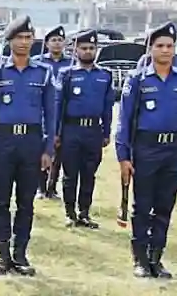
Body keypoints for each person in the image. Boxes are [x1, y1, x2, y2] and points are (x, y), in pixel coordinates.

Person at [116, 21, 177, 279]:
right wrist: (123, 156)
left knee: (164, 206)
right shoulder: (137, 79)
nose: (165, 50)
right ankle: (140, 259)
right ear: (150, 49)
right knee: (142, 206)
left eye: (170, 46)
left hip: (173, 149)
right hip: (145, 148)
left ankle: (156, 258)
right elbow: (125, 120)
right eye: (160, 46)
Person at [0, 16, 56, 276]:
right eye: (19, 38)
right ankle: (2, 254)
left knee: (26, 202)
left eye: (28, 37)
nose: (24, 42)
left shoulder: (43, 72)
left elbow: (51, 113)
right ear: (9, 41)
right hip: (3, 142)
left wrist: (48, 149)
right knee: (0, 201)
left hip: (31, 143)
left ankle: (20, 254)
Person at [55, 29, 113, 228]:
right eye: (84, 48)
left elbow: (108, 106)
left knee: (89, 174)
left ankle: (84, 213)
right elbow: (58, 105)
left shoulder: (105, 75)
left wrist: (106, 132)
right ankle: (70, 213)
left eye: (91, 48)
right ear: (75, 50)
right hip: (71, 130)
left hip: (93, 131)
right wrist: (56, 133)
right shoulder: (67, 74)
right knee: (70, 174)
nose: (88, 51)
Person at [36, 25, 71, 199]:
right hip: (43, 113)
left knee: (60, 152)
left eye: (60, 40)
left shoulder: (71, 63)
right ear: (47, 43)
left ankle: (52, 187)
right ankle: (41, 187)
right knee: (42, 148)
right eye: (53, 40)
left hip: (64, 113)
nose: (57, 43)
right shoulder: (38, 63)